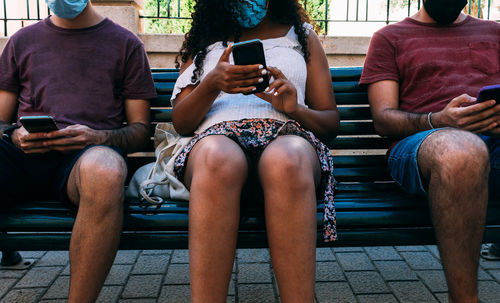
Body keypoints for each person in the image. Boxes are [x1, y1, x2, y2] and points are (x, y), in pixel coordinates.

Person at [171, 0, 339, 301]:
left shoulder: (301, 36)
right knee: (217, 158)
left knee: (287, 159)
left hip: (286, 138)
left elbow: (330, 122)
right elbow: (182, 122)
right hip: (217, 144)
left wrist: (295, 108)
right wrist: (211, 84)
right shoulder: (204, 38)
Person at [0, 0, 156, 302]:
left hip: (84, 161)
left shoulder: (125, 44)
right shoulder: (21, 41)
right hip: (21, 157)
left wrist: (96, 136)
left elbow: (140, 132)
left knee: (106, 171)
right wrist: (16, 135)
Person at [359, 0, 500, 302]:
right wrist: (438, 120)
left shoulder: (495, 32)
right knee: (462, 150)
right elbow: (383, 118)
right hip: (422, 144)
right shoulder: (390, 38)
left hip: (494, 143)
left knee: (467, 147)